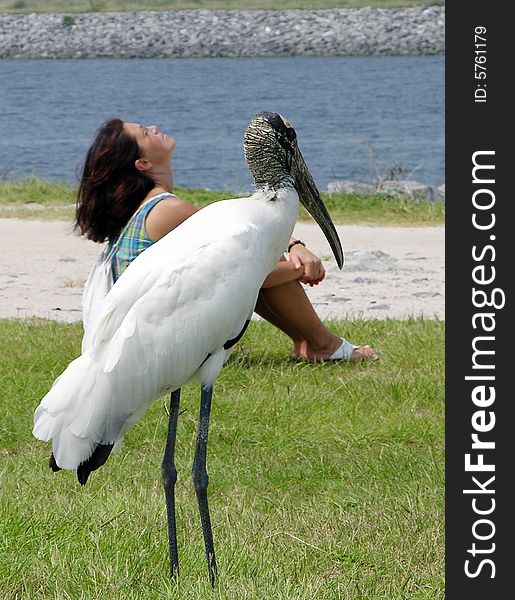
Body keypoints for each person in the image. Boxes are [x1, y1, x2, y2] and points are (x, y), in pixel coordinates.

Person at [75, 118, 378, 362]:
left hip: (149, 322)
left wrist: (292, 244)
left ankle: (312, 341)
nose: (153, 127)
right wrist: (300, 266)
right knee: (251, 264)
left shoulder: (148, 206)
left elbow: (236, 234)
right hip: (145, 336)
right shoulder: (167, 210)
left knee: (252, 257)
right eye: (144, 132)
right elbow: (243, 263)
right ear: (142, 163)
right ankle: (320, 344)